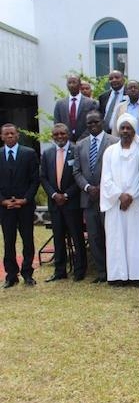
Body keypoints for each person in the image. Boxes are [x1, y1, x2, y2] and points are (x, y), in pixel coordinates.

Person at [100, 114, 139, 284]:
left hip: (136, 203)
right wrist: (120, 195)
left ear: (134, 130)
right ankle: (118, 276)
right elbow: (106, 178)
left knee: (137, 241)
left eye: (128, 127)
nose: (125, 131)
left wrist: (131, 196)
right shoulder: (110, 151)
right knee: (117, 241)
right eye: (122, 127)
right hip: (116, 204)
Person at [73, 110, 118, 283]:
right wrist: (87, 187)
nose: (93, 125)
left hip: (107, 198)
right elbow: (76, 171)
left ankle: (114, 271)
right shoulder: (80, 144)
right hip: (88, 198)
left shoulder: (113, 141)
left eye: (96, 122)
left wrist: (103, 187)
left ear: (102, 122)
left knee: (110, 235)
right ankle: (101, 272)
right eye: (89, 123)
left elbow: (116, 170)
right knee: (94, 237)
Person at [40, 123, 87, 282]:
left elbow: (79, 176)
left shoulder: (77, 150)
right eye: (56, 134)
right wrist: (54, 195)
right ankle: (60, 271)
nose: (60, 137)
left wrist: (66, 194)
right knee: (58, 237)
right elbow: (44, 177)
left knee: (77, 237)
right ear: (52, 136)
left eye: (62, 134)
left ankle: (80, 270)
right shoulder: (47, 153)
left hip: (72, 202)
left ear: (68, 134)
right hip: (55, 204)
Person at [0, 124, 39, 288]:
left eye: (12, 133)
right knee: (8, 241)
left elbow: (35, 180)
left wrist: (25, 199)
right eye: (6, 134)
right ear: (1, 137)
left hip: (25, 206)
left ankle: (27, 273)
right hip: (5, 207)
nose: (10, 136)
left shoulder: (29, 153)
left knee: (28, 240)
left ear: (18, 135)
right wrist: (2, 200)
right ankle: (11, 275)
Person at [53, 74, 99, 142]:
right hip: (66, 141)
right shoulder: (60, 104)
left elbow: (93, 123)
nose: (71, 85)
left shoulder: (90, 103)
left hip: (85, 140)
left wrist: (81, 140)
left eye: (74, 82)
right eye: (69, 83)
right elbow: (57, 123)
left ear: (80, 85)